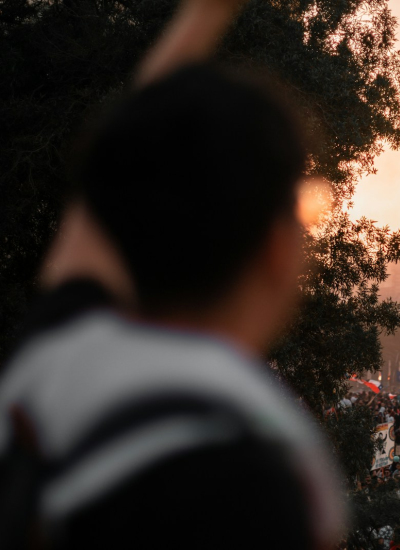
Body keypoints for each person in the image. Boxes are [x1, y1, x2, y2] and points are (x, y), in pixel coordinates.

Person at [0, 0, 345, 548]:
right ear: (276, 248)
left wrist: (207, 12)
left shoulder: (52, 361)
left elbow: (121, 179)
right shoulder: (251, 468)